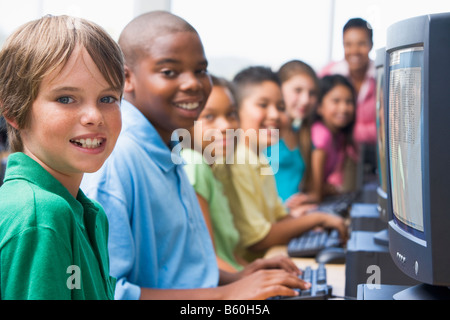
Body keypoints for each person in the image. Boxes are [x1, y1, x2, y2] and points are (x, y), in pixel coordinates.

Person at [81, 11, 308, 300]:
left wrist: (236, 279)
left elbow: (177, 272)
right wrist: (227, 296)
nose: (193, 83)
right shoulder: (117, 160)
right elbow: (110, 292)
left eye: (201, 70)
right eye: (169, 72)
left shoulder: (170, 148)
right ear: (127, 78)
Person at [0, 15, 124, 300]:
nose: (94, 117)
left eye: (108, 98)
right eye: (66, 98)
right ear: (14, 111)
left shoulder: (89, 212)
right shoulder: (40, 216)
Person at [213, 66, 348, 262]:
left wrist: (308, 223)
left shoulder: (259, 158)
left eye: (280, 107)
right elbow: (258, 239)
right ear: (236, 111)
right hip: (251, 266)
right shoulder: (237, 161)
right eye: (263, 105)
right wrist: (318, 218)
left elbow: (279, 216)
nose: (275, 115)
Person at [182, 75, 301, 274]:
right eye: (209, 117)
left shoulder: (216, 169)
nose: (226, 126)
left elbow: (229, 255)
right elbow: (208, 260)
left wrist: (260, 272)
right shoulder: (194, 164)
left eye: (231, 114)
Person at [264, 60, 320, 211]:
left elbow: (314, 192)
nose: (306, 100)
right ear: (279, 89)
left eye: (312, 93)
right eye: (298, 90)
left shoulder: (303, 136)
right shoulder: (263, 134)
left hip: (293, 217)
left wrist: (305, 200)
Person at [319, 18, 376, 147]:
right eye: (348, 44)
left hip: (370, 155)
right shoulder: (329, 73)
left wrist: (349, 132)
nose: (354, 51)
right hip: (333, 150)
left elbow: (386, 128)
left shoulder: (381, 77)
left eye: (361, 44)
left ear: (371, 45)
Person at [306, 74, 359, 203]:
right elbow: (315, 192)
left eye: (349, 102)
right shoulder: (322, 135)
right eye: (336, 101)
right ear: (319, 107)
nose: (344, 108)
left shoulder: (339, 136)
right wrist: (326, 190)